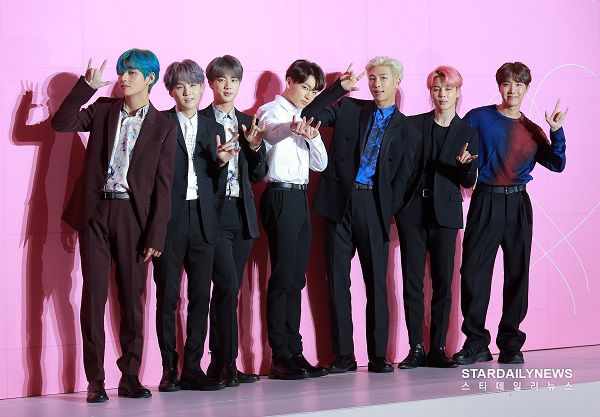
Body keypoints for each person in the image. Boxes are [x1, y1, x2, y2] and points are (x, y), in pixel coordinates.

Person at [51, 49, 176, 402]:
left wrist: (156, 234)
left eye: (132, 72)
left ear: (150, 78)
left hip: (133, 217)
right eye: (123, 71)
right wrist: (86, 87)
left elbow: (164, 187)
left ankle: (130, 377)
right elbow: (61, 123)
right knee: (93, 298)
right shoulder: (103, 110)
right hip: (95, 212)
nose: (124, 77)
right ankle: (95, 380)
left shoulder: (164, 127)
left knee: (133, 300)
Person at [301, 57, 422, 373]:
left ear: (397, 81)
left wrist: (385, 209)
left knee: (377, 284)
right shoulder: (349, 108)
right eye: (372, 78)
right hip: (338, 201)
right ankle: (344, 355)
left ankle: (379, 355)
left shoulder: (408, 130)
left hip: (374, 207)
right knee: (337, 281)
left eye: (383, 78)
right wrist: (337, 89)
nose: (376, 84)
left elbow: (406, 179)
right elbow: (307, 114)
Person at [453, 62, 568, 365]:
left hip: (518, 203)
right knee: (474, 273)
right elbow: (456, 151)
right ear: (499, 86)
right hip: (485, 199)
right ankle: (476, 342)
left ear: (527, 88)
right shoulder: (478, 118)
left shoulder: (532, 129)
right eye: (507, 83)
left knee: (517, 273)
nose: (512, 90)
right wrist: (463, 164)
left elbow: (556, 164)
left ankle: (510, 343)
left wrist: (557, 133)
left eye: (519, 84)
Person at [153, 59, 238, 392]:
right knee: (168, 297)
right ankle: (168, 369)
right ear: (171, 91)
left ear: (203, 88)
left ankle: (192, 368)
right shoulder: (159, 123)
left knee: (201, 296)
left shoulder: (213, 127)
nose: (187, 92)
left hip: (204, 222)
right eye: (179, 86)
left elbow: (217, 182)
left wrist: (222, 163)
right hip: (169, 222)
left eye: (192, 85)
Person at [395, 66, 478, 370]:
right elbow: (400, 167)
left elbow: (468, 181)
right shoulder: (414, 125)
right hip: (412, 213)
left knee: (444, 283)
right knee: (412, 282)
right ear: (431, 92)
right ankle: (416, 347)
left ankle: (438, 349)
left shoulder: (467, 132)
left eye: (448, 89)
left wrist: (465, 167)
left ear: (458, 92)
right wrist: (397, 206)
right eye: (436, 89)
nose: (442, 94)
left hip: (446, 214)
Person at [257, 59, 329, 380]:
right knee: (283, 277)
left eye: (314, 92)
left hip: (300, 197)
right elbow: (270, 135)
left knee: (296, 278)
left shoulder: (303, 117)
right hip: (279, 194)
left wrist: (311, 136)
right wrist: (292, 127)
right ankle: (280, 356)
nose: (308, 95)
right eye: (305, 87)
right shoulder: (271, 111)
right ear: (289, 81)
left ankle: (295, 351)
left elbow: (320, 165)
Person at [199, 55, 266, 386]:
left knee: (231, 290)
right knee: (225, 286)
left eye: (234, 80)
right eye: (221, 79)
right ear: (211, 83)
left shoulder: (248, 122)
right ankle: (223, 361)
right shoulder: (198, 121)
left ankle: (223, 363)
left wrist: (254, 148)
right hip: (212, 215)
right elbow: (194, 172)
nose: (228, 86)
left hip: (242, 215)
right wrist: (219, 161)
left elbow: (258, 174)